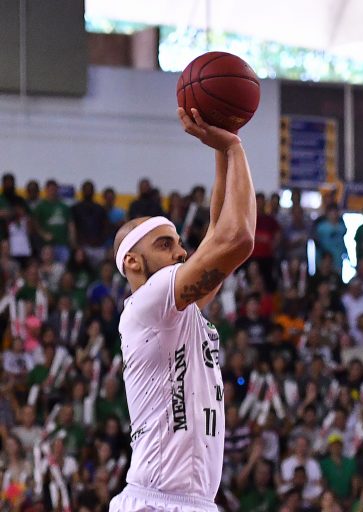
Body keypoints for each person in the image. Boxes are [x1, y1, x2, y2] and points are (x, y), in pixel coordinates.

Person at [108, 107, 257, 512]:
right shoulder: (151, 301)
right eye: (165, 245)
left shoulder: (175, 309)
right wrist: (234, 147)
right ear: (133, 262)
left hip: (189, 500)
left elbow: (217, 230)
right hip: (158, 500)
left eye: (178, 243)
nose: (180, 252)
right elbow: (237, 238)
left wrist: (221, 146)